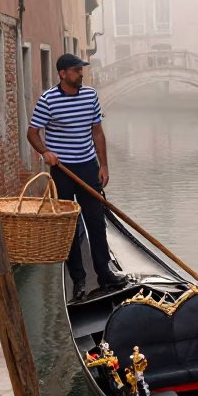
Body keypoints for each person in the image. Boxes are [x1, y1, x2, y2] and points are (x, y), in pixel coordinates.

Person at [27, 53, 128, 299]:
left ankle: (105, 275)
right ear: (63, 74)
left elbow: (97, 133)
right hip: (62, 170)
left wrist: (103, 166)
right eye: (76, 70)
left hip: (87, 168)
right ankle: (79, 280)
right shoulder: (48, 100)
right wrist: (45, 152)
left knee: (96, 222)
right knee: (70, 226)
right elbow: (32, 133)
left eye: (81, 70)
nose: (81, 74)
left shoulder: (90, 96)